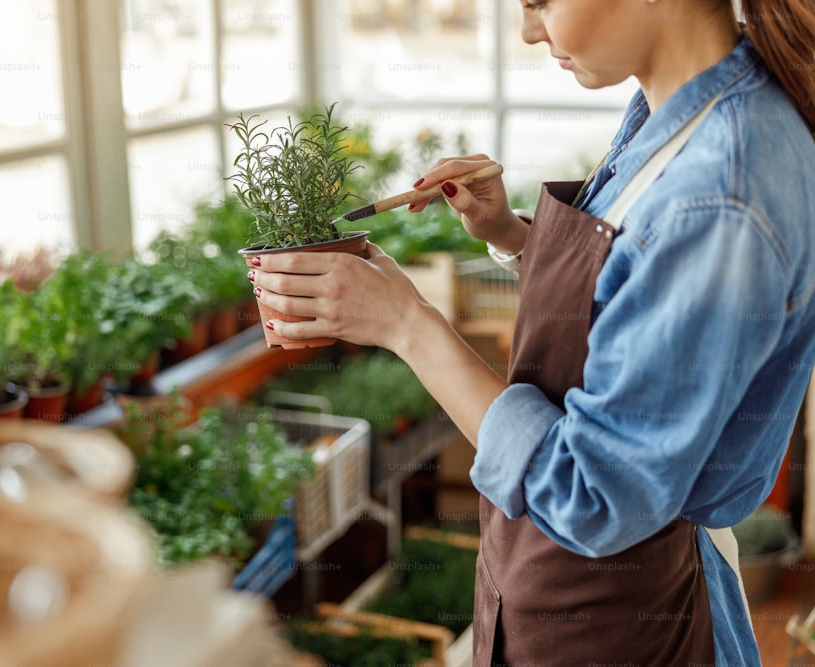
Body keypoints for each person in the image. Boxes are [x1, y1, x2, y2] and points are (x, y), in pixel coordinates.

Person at [248, 0, 815, 664]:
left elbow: (592, 493)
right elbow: (629, 312)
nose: (528, 30)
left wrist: (408, 325)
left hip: (620, 619)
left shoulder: (720, 193)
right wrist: (510, 236)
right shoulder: (681, 113)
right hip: (564, 591)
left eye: (539, 2)